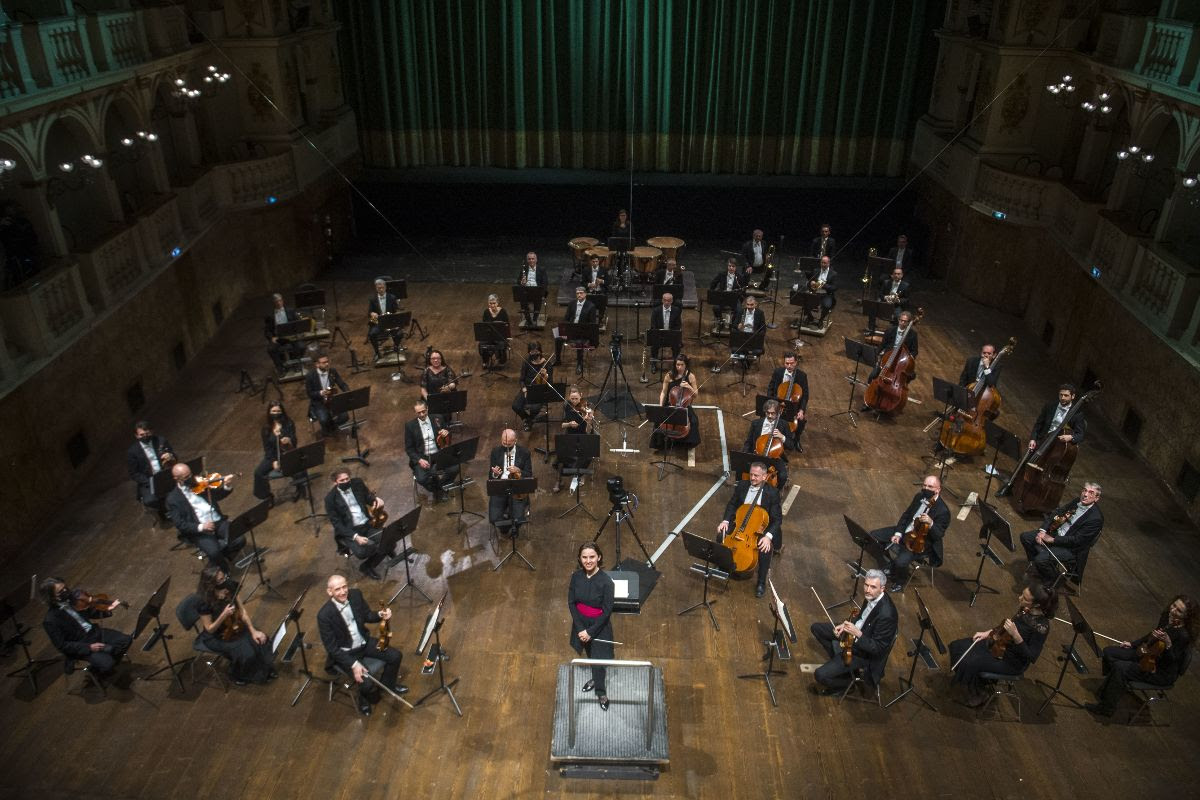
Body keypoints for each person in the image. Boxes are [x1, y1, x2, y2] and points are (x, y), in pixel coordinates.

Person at [1086, 594, 1197, 717]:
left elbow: (1172, 661)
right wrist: (1133, 644)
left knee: (1120, 668)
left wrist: (1168, 644)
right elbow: (1153, 634)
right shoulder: (1167, 616)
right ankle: (1111, 688)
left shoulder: (1183, 636)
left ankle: (1107, 708)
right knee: (1109, 652)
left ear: (1186, 616)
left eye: (1179, 611)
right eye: (1174, 605)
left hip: (1161, 671)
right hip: (1149, 654)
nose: (1173, 610)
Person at [949, 581, 1057, 707]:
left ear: (1037, 605)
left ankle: (982, 693)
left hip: (1012, 662)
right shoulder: (1025, 610)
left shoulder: (1041, 627)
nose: (1020, 598)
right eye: (1022, 594)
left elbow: (1032, 657)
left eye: (1025, 599)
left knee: (970, 661)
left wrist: (1016, 635)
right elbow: (1005, 627)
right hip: (1000, 645)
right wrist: (987, 633)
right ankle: (979, 683)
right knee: (960, 645)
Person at [317, 574, 406, 717]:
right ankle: (363, 698)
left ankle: (388, 686)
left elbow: (366, 615)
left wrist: (380, 614)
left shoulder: (355, 595)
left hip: (363, 642)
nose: (343, 591)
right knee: (366, 683)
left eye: (344, 587)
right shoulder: (324, 615)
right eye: (338, 589)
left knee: (395, 656)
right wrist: (353, 664)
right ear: (330, 592)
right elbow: (332, 649)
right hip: (346, 653)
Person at [809, 569, 897, 695]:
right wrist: (845, 625)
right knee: (817, 628)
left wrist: (858, 634)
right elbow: (862, 617)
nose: (867, 590)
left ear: (882, 588)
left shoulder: (887, 615)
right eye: (866, 585)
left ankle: (846, 685)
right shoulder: (871, 595)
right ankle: (841, 662)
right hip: (853, 636)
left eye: (873, 587)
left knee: (820, 675)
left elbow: (878, 648)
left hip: (864, 653)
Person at [191, 566, 276, 685]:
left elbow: (242, 612)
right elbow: (210, 629)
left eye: (224, 577)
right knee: (247, 653)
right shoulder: (204, 601)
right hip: (218, 636)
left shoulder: (230, 586)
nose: (224, 581)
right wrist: (223, 615)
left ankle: (266, 669)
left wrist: (253, 630)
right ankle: (237, 675)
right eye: (220, 580)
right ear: (211, 584)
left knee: (262, 639)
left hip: (234, 625)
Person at [868, 476, 951, 591]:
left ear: (938, 489)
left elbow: (938, 535)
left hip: (920, 541)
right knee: (873, 536)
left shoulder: (943, 511)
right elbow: (906, 515)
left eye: (930, 486)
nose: (926, 488)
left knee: (901, 561)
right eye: (924, 485)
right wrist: (898, 533)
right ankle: (890, 566)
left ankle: (900, 582)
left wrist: (931, 523)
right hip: (906, 530)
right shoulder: (919, 497)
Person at [39, 577, 132, 678]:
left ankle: (106, 659)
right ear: (52, 597)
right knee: (108, 664)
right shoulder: (51, 620)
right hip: (82, 644)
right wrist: (89, 647)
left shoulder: (72, 600)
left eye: (65, 587)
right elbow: (62, 645)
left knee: (126, 640)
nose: (66, 591)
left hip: (94, 632)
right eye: (61, 591)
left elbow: (89, 612)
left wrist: (107, 609)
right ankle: (99, 668)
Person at [716, 462, 783, 597]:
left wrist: (767, 537)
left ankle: (761, 582)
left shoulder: (772, 493)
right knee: (721, 534)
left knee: (765, 549)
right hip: (741, 522)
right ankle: (723, 565)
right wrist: (725, 521)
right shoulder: (742, 485)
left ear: (764, 477)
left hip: (761, 527)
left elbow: (777, 519)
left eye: (756, 476)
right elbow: (733, 504)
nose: (752, 478)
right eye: (751, 474)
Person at [165, 462, 245, 571]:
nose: (191, 478)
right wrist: (202, 527)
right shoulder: (173, 499)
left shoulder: (200, 483)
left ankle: (223, 557)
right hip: (200, 530)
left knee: (240, 539)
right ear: (176, 478)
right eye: (186, 477)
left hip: (217, 521)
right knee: (214, 552)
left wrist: (226, 485)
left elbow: (218, 495)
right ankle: (225, 571)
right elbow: (180, 524)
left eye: (190, 474)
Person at [1019, 482, 1104, 583]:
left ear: (1096, 498)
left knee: (1040, 559)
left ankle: (1054, 579)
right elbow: (1057, 512)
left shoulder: (1096, 519)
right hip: (1056, 533)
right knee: (1026, 537)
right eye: (1084, 490)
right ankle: (1043, 569)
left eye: (1091, 493)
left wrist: (1052, 540)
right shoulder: (1077, 501)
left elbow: (1077, 540)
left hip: (1070, 548)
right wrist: (1042, 531)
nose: (1085, 494)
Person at [568, 542, 615, 711]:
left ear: (599, 558)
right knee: (590, 655)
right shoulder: (576, 577)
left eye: (592, 557)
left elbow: (607, 611)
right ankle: (596, 679)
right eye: (584, 557)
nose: (588, 561)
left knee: (599, 661)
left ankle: (601, 693)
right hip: (581, 625)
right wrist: (581, 629)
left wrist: (590, 631)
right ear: (580, 559)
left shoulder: (607, 582)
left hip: (598, 626)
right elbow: (572, 603)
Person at [325, 469, 389, 580]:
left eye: (347, 479)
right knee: (363, 552)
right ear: (335, 482)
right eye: (342, 480)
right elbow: (337, 524)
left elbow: (367, 496)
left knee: (389, 538)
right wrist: (356, 537)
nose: (345, 481)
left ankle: (368, 565)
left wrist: (375, 500)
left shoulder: (357, 483)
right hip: (351, 531)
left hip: (367, 524)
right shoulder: (330, 499)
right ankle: (380, 552)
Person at [404, 400, 457, 501]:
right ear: (415, 412)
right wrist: (419, 460)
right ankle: (439, 490)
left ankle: (440, 488)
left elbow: (448, 436)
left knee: (454, 468)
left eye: (423, 411)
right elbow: (409, 448)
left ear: (427, 409)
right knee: (421, 478)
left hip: (439, 453)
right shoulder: (410, 426)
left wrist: (447, 432)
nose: (422, 414)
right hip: (422, 457)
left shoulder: (438, 418)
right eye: (418, 413)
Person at [652, 354, 701, 451]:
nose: (679, 367)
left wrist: (689, 387)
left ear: (686, 365)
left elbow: (695, 395)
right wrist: (661, 406)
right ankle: (661, 444)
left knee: (694, 421)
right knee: (658, 420)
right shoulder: (669, 376)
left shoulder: (691, 377)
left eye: (682, 365)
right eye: (677, 365)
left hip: (684, 407)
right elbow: (663, 392)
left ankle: (685, 444)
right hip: (670, 404)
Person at [488, 428, 533, 532]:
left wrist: (519, 471)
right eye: (504, 443)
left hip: (517, 487)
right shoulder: (495, 451)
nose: (506, 446)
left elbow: (529, 475)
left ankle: (514, 529)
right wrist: (495, 474)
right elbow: (490, 476)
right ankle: (504, 529)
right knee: (494, 519)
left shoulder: (524, 453)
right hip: (500, 486)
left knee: (519, 519)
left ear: (515, 441)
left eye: (509, 444)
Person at [252, 401, 297, 503]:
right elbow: (267, 448)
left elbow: (295, 441)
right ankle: (266, 496)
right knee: (258, 473)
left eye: (278, 411)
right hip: (272, 455)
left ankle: (300, 488)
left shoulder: (289, 423)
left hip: (287, 452)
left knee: (299, 467)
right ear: (269, 412)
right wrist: (274, 461)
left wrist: (289, 440)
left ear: (282, 411)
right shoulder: (266, 428)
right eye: (273, 411)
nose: (276, 413)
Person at [126, 420, 175, 513]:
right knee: (149, 500)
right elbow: (134, 473)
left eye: (147, 433)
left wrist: (170, 456)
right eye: (141, 435)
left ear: (151, 432)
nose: (145, 436)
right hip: (149, 479)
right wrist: (149, 482)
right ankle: (165, 510)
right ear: (136, 436)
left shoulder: (161, 440)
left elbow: (174, 456)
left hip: (165, 474)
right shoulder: (132, 452)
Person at [744, 400, 792, 489]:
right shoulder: (756, 423)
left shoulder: (784, 424)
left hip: (775, 457)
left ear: (778, 413)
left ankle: (776, 493)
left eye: (773, 413)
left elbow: (791, 445)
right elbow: (748, 442)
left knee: (782, 476)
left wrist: (782, 437)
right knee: (743, 471)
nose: (770, 416)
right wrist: (744, 455)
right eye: (768, 413)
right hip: (757, 455)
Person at [766, 351, 809, 451]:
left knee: (801, 421)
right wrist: (771, 403)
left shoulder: (802, 376)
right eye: (787, 363)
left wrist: (801, 410)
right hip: (778, 403)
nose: (789, 366)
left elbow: (805, 395)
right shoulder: (778, 372)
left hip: (793, 405)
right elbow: (770, 388)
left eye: (792, 363)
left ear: (796, 362)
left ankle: (796, 440)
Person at [555, 386, 595, 492]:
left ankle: (580, 474)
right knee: (560, 455)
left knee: (587, 456)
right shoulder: (566, 406)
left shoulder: (588, 406)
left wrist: (589, 420)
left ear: (580, 396)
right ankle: (559, 480)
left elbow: (588, 431)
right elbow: (562, 425)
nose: (574, 401)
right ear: (569, 397)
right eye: (572, 398)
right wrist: (569, 423)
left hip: (584, 435)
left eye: (576, 398)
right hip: (571, 434)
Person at [866, 309, 918, 386]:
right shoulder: (890, 330)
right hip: (888, 357)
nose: (902, 322)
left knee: (912, 375)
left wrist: (908, 358)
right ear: (898, 320)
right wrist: (876, 354)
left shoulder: (913, 334)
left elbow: (915, 350)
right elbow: (882, 344)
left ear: (908, 322)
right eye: (901, 320)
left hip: (901, 360)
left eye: (905, 321)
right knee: (872, 376)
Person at [554, 286, 599, 374]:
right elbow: (566, 318)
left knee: (579, 342)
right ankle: (558, 360)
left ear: (585, 294)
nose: (579, 295)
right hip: (571, 328)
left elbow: (592, 324)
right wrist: (564, 329)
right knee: (557, 338)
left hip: (583, 331)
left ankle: (579, 364)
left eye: (581, 293)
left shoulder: (591, 306)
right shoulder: (572, 304)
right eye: (577, 293)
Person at [513, 341, 554, 431]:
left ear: (540, 351)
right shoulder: (526, 362)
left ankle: (529, 422)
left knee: (534, 407)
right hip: (527, 389)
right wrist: (524, 390)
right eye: (531, 352)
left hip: (539, 390)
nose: (533, 354)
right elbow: (521, 379)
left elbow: (550, 383)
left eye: (536, 352)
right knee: (515, 406)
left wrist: (545, 375)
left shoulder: (547, 364)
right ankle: (528, 419)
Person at [305, 352, 349, 435]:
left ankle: (331, 426)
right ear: (317, 364)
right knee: (324, 419)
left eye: (327, 361)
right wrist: (321, 393)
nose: (327, 364)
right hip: (319, 402)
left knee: (344, 417)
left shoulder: (332, 371)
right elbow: (309, 393)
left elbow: (342, 384)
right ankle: (328, 427)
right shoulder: (310, 376)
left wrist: (348, 392)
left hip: (332, 399)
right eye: (324, 362)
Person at [264, 293, 305, 373]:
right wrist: (272, 337)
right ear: (274, 303)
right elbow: (267, 330)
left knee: (301, 346)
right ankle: (281, 367)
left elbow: (298, 323)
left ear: (282, 301)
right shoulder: (270, 315)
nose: (279, 303)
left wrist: (296, 332)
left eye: (280, 301)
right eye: (276, 301)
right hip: (278, 338)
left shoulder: (290, 311)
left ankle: (295, 363)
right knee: (270, 349)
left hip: (291, 336)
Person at [367, 278, 403, 361]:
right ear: (376, 288)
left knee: (399, 333)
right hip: (379, 322)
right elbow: (369, 312)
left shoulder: (392, 297)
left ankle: (396, 346)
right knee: (372, 334)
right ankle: (377, 352)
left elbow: (396, 311)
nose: (381, 289)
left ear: (385, 287)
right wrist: (372, 314)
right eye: (379, 288)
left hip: (390, 322)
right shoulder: (373, 299)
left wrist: (397, 306)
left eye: (382, 287)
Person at [867, 266, 910, 332]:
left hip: (896, 306)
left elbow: (906, 298)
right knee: (872, 311)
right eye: (895, 274)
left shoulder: (906, 285)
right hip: (885, 303)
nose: (896, 275)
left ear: (902, 275)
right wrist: (885, 297)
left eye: (898, 274)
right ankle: (871, 329)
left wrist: (898, 300)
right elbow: (880, 294)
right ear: (892, 275)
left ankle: (893, 332)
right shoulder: (886, 282)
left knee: (898, 316)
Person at [709, 257, 746, 330]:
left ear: (736, 267)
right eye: (729, 266)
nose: (731, 268)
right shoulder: (722, 274)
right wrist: (713, 293)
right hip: (723, 297)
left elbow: (743, 290)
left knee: (739, 310)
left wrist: (739, 297)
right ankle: (721, 322)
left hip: (734, 298)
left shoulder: (739, 277)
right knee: (715, 308)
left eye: (733, 266)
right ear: (727, 266)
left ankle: (733, 325)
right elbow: (713, 284)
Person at [648, 291, 682, 368]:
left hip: (671, 334)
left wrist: (671, 334)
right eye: (665, 300)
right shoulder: (656, 310)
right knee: (654, 345)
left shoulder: (676, 310)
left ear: (672, 301)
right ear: (662, 300)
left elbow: (678, 325)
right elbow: (653, 325)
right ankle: (654, 363)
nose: (667, 302)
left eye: (669, 300)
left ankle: (676, 364)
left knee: (677, 345)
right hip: (659, 334)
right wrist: (659, 333)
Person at [517, 251, 548, 327]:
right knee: (522, 299)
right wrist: (521, 282)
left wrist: (542, 293)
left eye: (533, 259)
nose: (531, 260)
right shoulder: (524, 269)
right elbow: (517, 281)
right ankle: (528, 320)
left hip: (537, 290)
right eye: (529, 259)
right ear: (527, 260)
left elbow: (545, 282)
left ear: (536, 260)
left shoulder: (541, 269)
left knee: (538, 298)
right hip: (526, 290)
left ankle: (534, 319)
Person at [479, 293, 510, 368]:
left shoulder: (503, 312)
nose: (492, 305)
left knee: (501, 344)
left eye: (494, 303)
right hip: (489, 335)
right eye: (490, 303)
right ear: (488, 303)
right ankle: (485, 361)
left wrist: (507, 336)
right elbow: (484, 325)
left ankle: (499, 359)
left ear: (497, 303)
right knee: (481, 344)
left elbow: (506, 326)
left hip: (500, 336)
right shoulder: (486, 312)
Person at [804, 255, 837, 326]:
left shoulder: (833, 274)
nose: (823, 264)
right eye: (822, 263)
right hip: (815, 293)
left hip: (826, 294)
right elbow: (810, 282)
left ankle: (821, 319)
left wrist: (823, 285)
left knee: (827, 305)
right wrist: (811, 283)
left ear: (829, 263)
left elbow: (835, 287)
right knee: (803, 301)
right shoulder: (816, 270)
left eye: (825, 263)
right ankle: (810, 317)